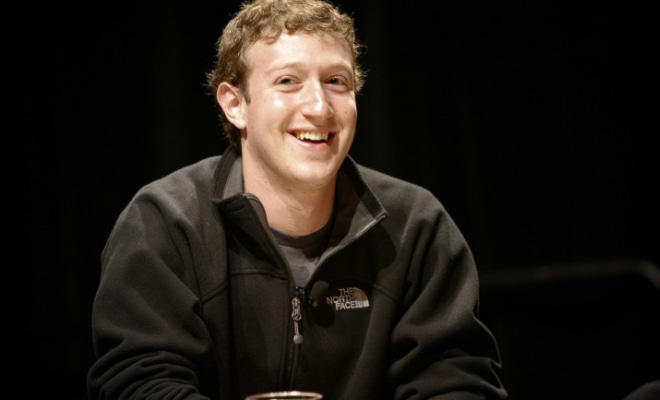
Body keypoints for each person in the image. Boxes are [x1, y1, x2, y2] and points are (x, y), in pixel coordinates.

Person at [86, 0, 508, 398]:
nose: (320, 107)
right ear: (235, 104)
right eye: (288, 81)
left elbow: (457, 381)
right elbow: (141, 383)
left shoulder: (417, 225)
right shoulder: (165, 222)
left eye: (336, 82)